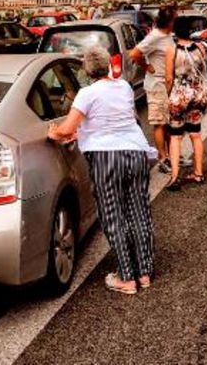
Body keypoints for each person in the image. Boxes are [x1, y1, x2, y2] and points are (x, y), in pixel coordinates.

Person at [47, 47, 156, 295]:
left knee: (113, 214)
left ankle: (126, 277)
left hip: (107, 158)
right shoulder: (124, 87)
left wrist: (54, 133)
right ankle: (145, 272)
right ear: (109, 65)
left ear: (87, 70)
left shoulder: (87, 93)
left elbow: (67, 129)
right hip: (136, 153)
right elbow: (114, 118)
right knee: (139, 211)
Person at [164, 21, 207, 190]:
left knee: (176, 137)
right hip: (198, 95)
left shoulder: (172, 50)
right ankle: (198, 173)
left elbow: (169, 78)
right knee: (195, 134)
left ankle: (175, 176)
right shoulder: (201, 48)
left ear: (175, 32)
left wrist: (168, 95)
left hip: (179, 97)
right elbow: (204, 68)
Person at [130, 5, 177, 173]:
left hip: (168, 84)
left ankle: (172, 156)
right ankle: (163, 158)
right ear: (169, 21)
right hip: (157, 85)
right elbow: (134, 54)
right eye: (174, 18)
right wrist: (147, 66)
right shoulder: (154, 36)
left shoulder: (168, 36)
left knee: (169, 123)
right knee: (160, 123)